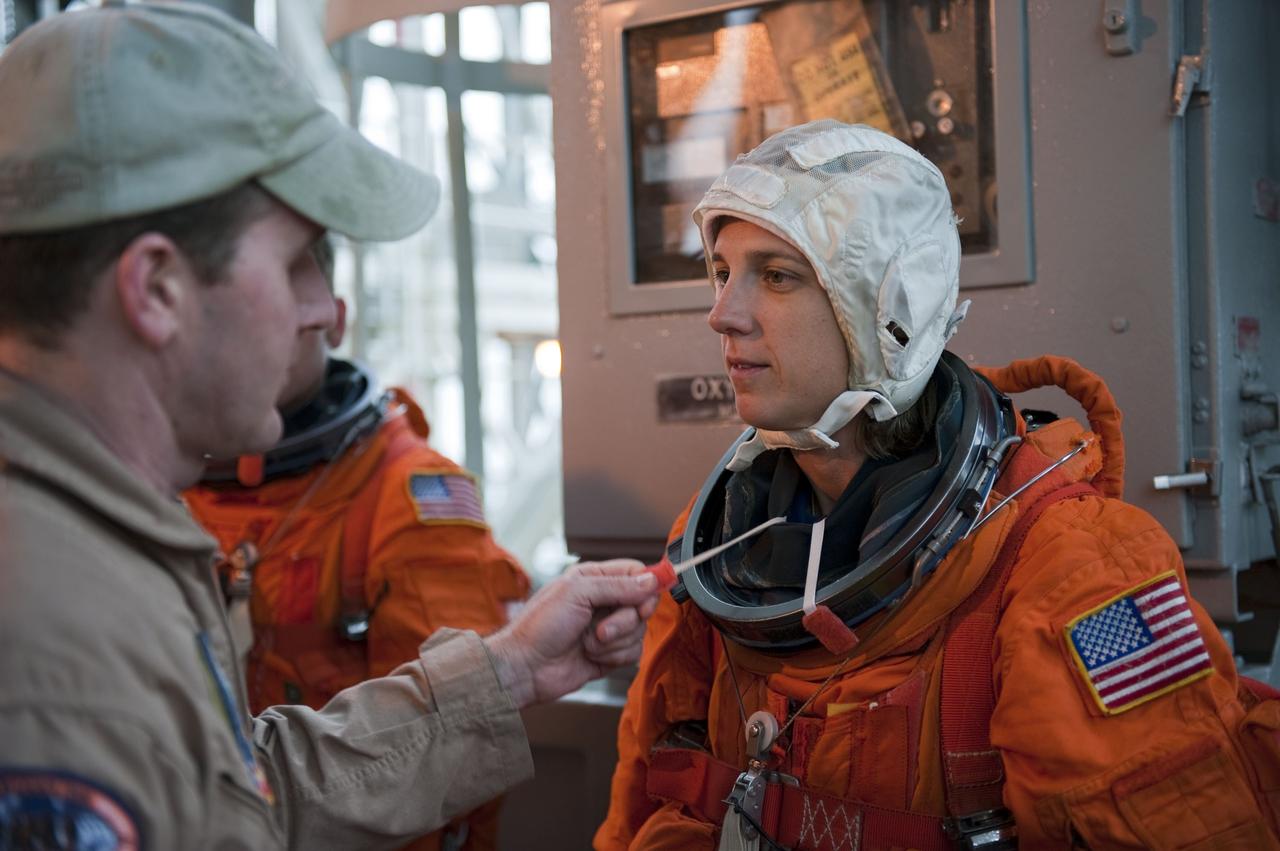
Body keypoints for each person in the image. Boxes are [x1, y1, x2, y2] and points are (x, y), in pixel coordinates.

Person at [0, 4, 658, 849]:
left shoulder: (96, 553)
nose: (324, 308)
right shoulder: (55, 651)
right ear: (157, 289)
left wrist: (508, 669)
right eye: (294, 262)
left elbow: (238, 794)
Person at [596, 120, 1280, 850]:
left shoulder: (1072, 565)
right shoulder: (715, 552)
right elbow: (652, 796)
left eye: (776, 276)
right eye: (723, 271)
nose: (723, 314)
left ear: (891, 309)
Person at [184, 235, 531, 851]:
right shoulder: (163, 486)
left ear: (335, 318)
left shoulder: (405, 495)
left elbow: (442, 756)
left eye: (293, 300)